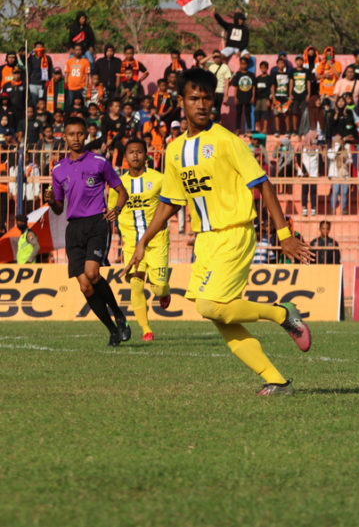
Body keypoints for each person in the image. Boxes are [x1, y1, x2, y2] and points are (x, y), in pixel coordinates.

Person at [127, 68, 315, 396]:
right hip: (206, 240)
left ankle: (281, 313)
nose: (201, 105)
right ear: (181, 102)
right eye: (193, 98)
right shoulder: (173, 152)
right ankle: (277, 381)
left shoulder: (228, 142)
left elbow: (263, 184)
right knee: (220, 317)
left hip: (235, 231)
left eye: (207, 99)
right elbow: (169, 203)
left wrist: (284, 234)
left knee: (211, 306)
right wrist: (143, 242)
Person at [47, 116, 130, 346]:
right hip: (73, 229)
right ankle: (113, 330)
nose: (76, 138)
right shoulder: (58, 170)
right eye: (71, 134)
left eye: (80, 134)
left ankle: (119, 314)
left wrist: (117, 209)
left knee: (93, 274)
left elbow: (122, 191)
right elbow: (58, 208)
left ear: (86, 135)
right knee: (85, 286)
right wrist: (51, 201)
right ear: (64, 137)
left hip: (96, 223)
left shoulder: (99, 162)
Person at [111, 138, 171, 342]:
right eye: (131, 152)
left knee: (159, 287)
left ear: (146, 155)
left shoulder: (160, 179)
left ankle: (164, 293)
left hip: (157, 241)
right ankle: (146, 329)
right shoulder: (118, 184)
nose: (135, 155)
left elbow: (170, 205)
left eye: (139, 152)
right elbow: (113, 211)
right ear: (125, 157)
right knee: (136, 285)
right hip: (130, 243)